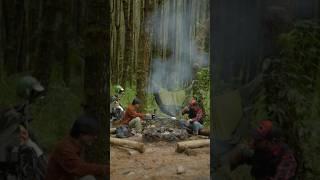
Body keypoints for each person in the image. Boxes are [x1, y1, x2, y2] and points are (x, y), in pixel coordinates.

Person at [0, 76, 47, 180]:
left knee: (36, 150)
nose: (35, 98)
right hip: (11, 154)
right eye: (34, 94)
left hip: (19, 147)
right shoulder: (11, 113)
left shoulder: (22, 108)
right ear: (27, 93)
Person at [228, 120, 297, 180]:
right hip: (262, 167)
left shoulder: (287, 160)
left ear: (270, 142)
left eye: (258, 140)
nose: (252, 143)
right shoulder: (260, 149)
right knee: (241, 150)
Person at [45, 115, 108, 180]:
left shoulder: (78, 145)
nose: (95, 137)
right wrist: (105, 169)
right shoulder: (65, 148)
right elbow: (80, 168)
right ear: (81, 134)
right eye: (92, 134)